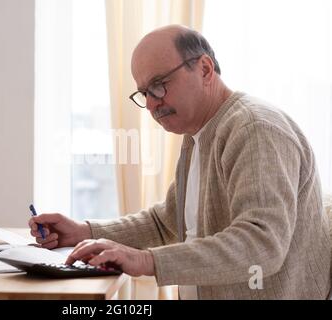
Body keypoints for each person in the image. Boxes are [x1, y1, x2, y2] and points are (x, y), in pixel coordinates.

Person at [29, 25, 331, 299]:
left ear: (204, 69)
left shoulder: (255, 129)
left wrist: (148, 261)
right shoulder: (199, 134)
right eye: (145, 92)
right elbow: (167, 222)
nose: (150, 103)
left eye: (159, 84)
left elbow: (261, 244)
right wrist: (83, 232)